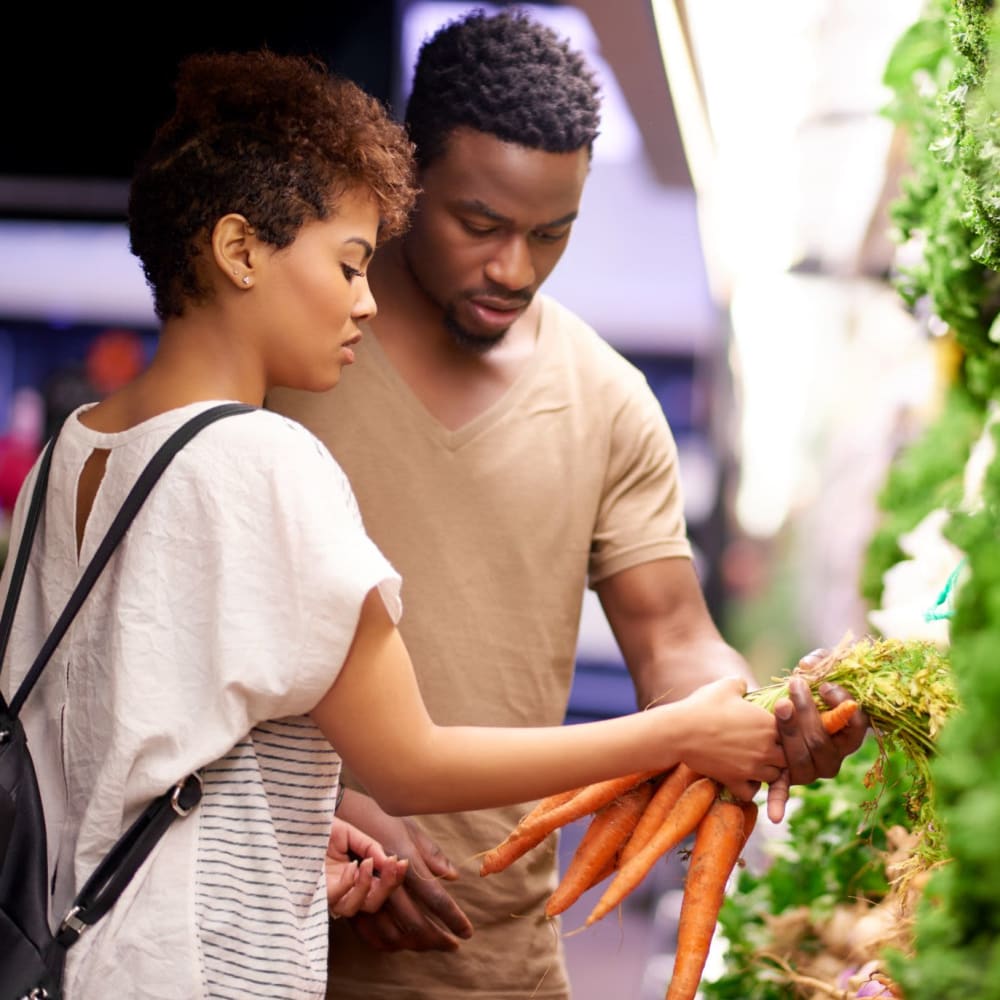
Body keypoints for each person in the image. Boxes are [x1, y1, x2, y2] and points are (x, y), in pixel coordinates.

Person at [0, 49, 791, 1000]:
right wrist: (673, 739)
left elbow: (114, 739)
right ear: (242, 249)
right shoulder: (269, 456)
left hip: (86, 959)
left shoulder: (70, 453)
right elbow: (409, 764)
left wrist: (288, 820)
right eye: (349, 264)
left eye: (553, 234)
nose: (364, 302)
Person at [267, 9, 869, 1000]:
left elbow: (673, 637)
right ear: (404, 178)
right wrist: (308, 804)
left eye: (552, 235)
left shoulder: (608, 396)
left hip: (501, 961)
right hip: (273, 948)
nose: (514, 269)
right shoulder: (288, 356)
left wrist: (755, 715)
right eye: (480, 225)